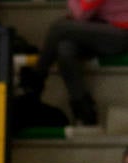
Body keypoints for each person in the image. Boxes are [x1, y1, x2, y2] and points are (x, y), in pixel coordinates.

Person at [19, 0, 128, 128]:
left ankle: (36, 79)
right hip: (99, 27)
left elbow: (80, 14)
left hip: (120, 32)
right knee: (65, 48)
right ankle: (84, 110)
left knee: (59, 28)